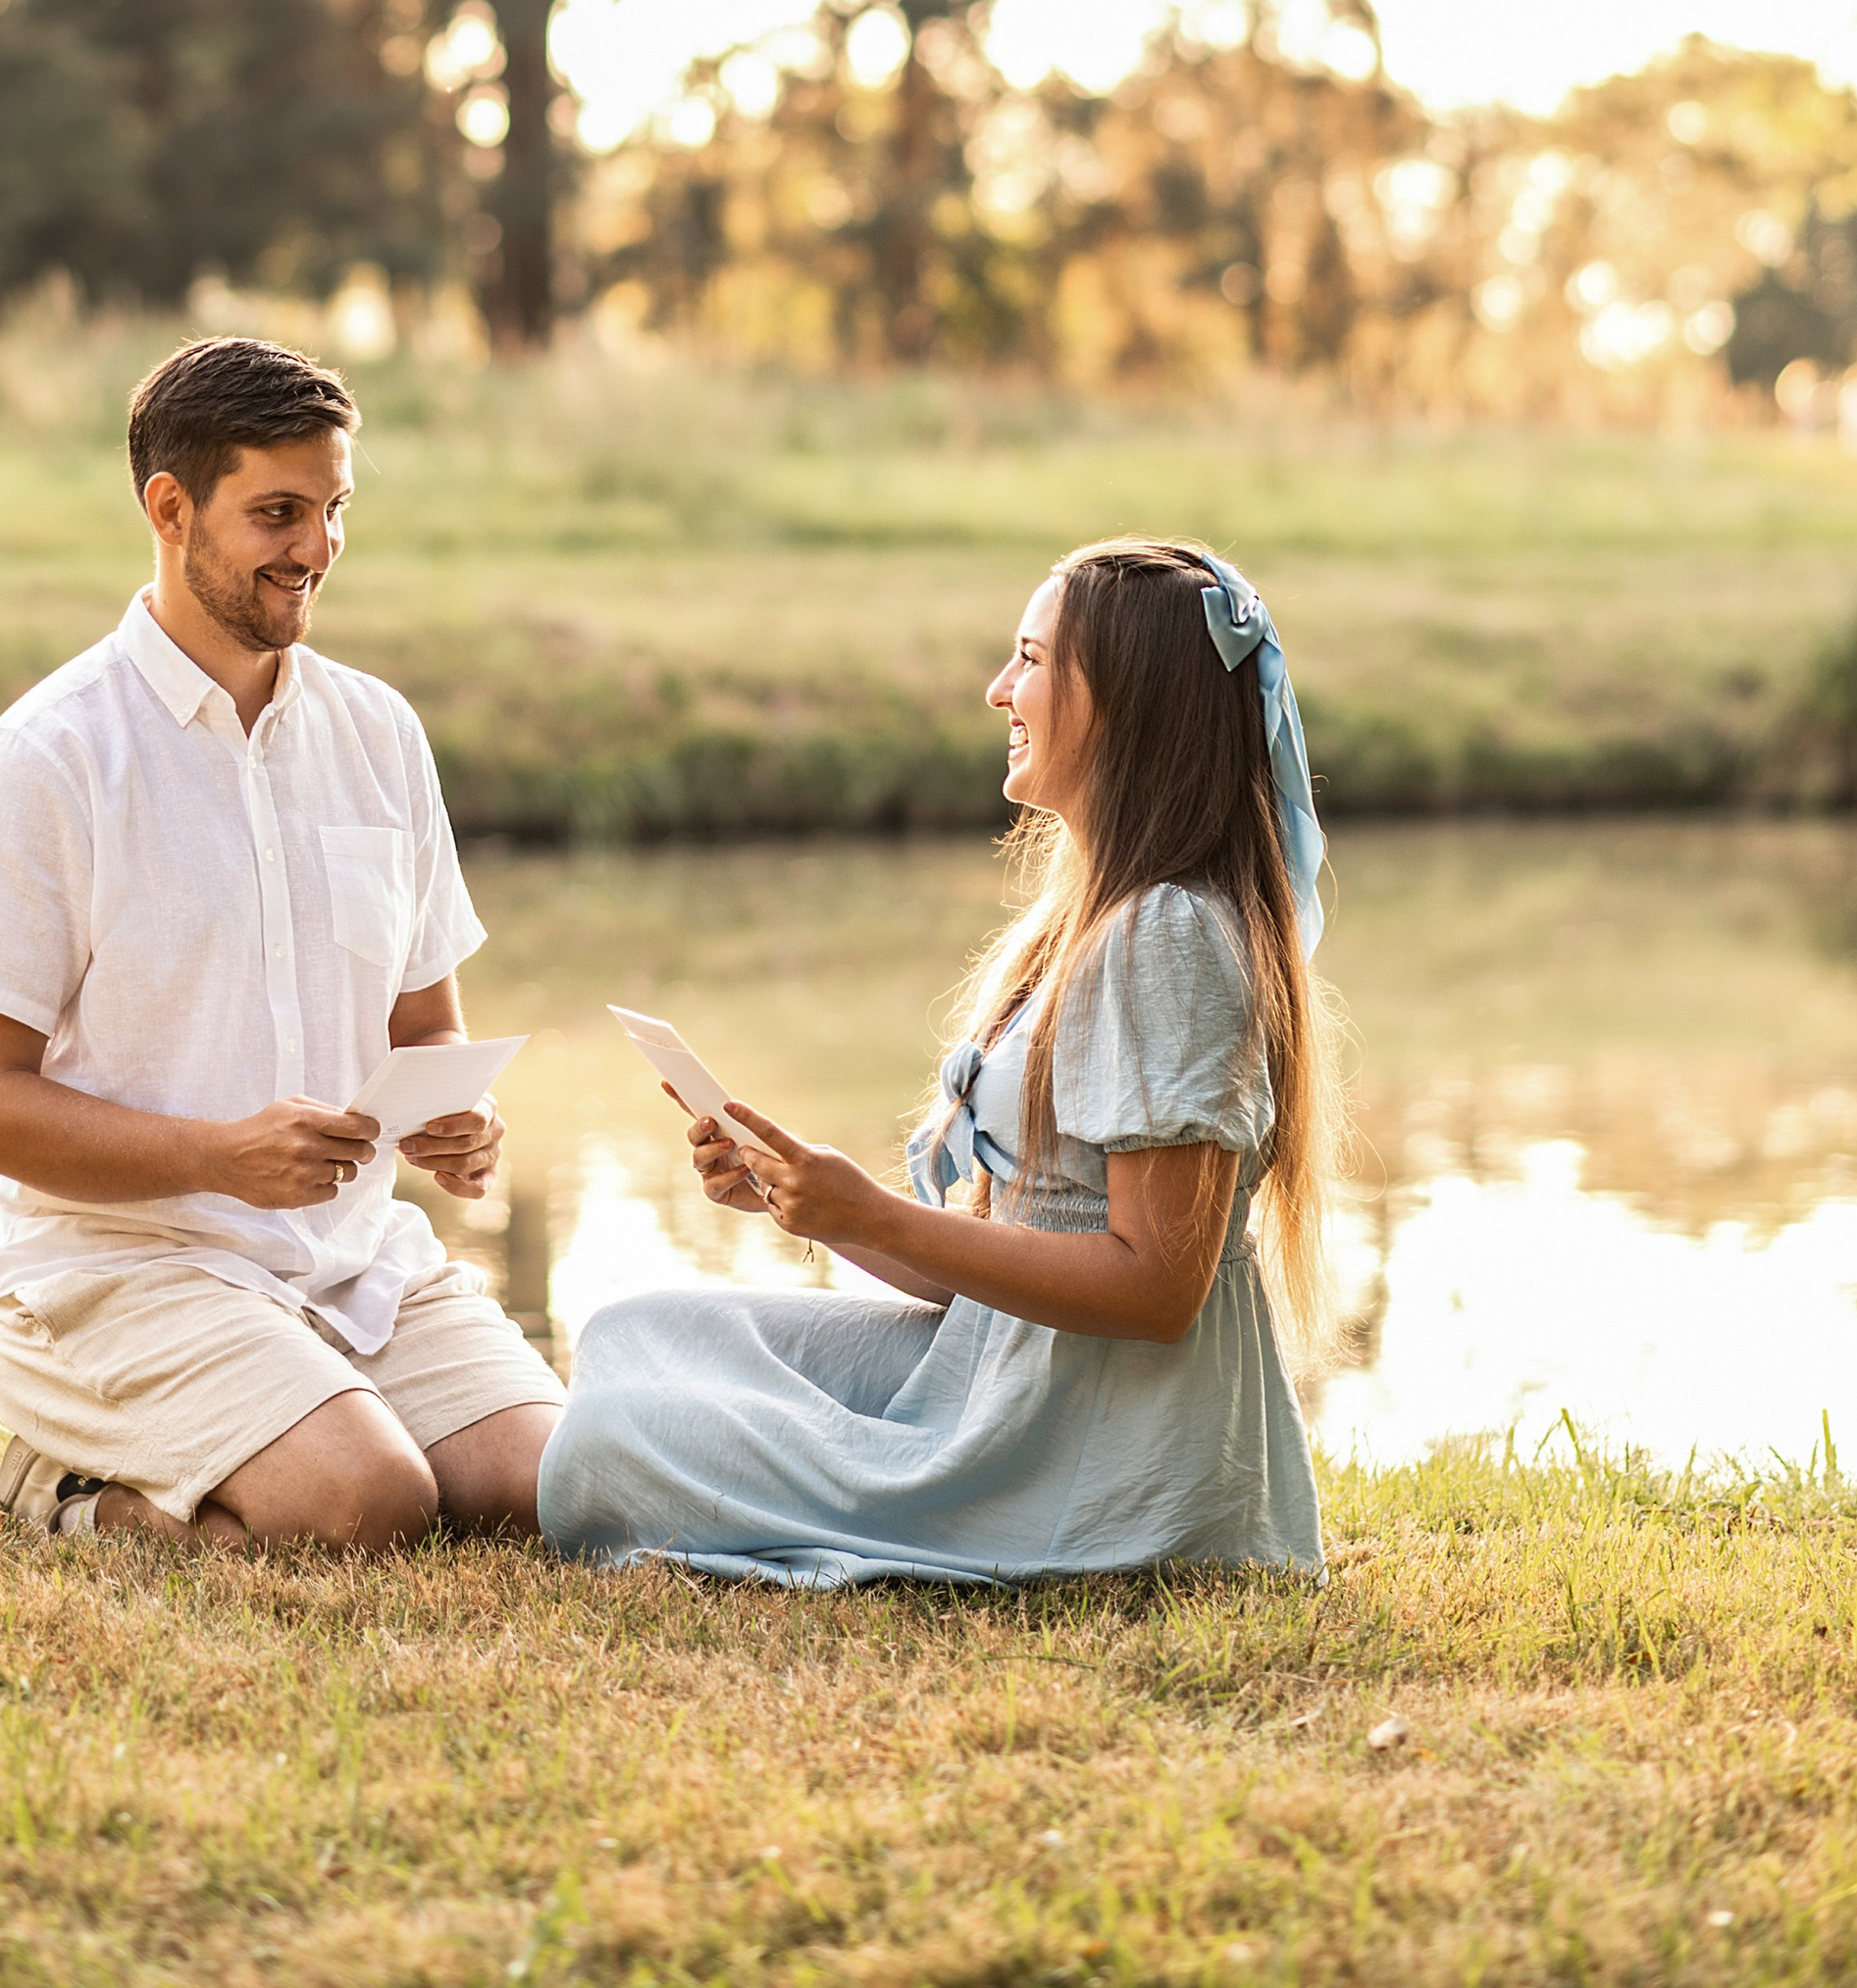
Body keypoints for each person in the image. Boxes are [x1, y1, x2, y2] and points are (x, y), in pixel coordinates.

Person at [537, 538, 1332, 1586]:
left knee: (599, 1452)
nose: (1000, 689)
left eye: (1032, 659)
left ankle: (937, 1509)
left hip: (1101, 1458)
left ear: (1126, 699)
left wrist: (867, 1212)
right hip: (1009, 1374)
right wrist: (810, 1206)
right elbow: (1015, 1255)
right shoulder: (1092, 925)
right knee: (634, 1334)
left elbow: (1156, 1288)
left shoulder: (1168, 938)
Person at [0, 333, 562, 1554]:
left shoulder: (381, 734)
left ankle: (311, 1409)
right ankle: (61, 1491)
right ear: (170, 509)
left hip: (355, 1260)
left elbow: (425, 1029)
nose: (314, 550)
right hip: (119, 1277)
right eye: (277, 513)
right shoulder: (46, 762)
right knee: (366, 1506)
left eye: (332, 511)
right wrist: (220, 1157)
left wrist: (455, 1125)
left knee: (559, 1489)